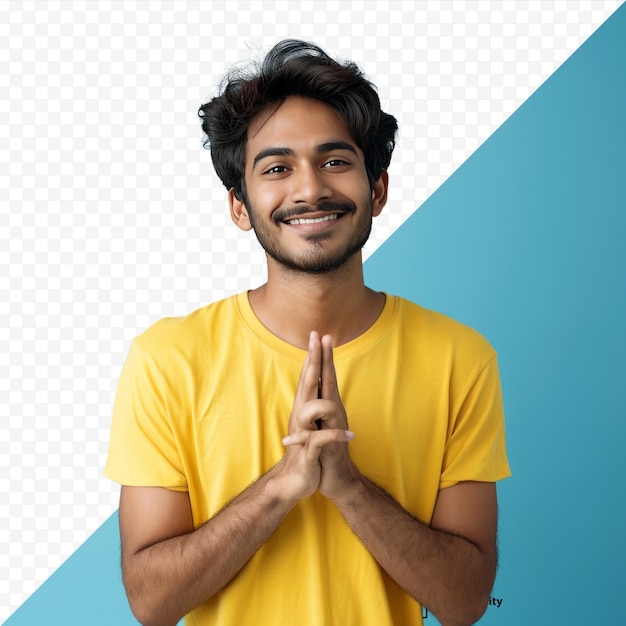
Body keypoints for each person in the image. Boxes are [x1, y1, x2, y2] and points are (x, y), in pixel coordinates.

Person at [105, 39, 510, 626]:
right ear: (240, 206)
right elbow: (151, 602)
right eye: (276, 168)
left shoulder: (459, 358)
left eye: (336, 161)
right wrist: (280, 487)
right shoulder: (168, 359)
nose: (310, 189)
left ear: (377, 189)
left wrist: (348, 487)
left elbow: (465, 602)